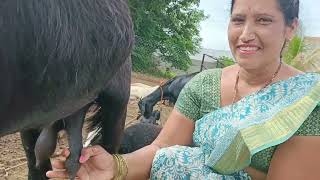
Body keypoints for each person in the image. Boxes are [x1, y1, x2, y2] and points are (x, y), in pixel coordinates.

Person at [46, 0, 320, 179]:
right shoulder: (203, 86)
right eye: (238, 20)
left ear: (290, 28)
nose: (246, 34)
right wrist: (115, 166)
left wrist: (200, 160)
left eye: (263, 20)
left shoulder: (303, 102)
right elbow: (162, 148)